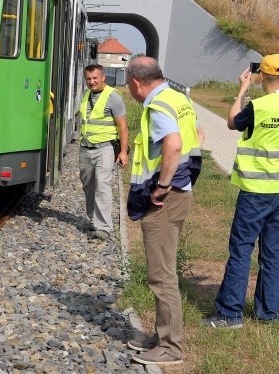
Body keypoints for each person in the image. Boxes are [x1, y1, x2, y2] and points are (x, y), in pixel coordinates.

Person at [124, 56, 202, 366]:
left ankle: (171, 347)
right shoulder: (177, 97)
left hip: (165, 201)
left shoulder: (156, 107)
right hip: (182, 194)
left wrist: (163, 186)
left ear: (135, 84)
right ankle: (161, 336)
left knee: (161, 274)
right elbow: (198, 134)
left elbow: (174, 144)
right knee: (163, 270)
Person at [203, 55, 279, 328]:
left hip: (256, 191)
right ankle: (268, 312)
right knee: (273, 254)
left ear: (263, 77)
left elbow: (232, 122)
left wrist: (242, 90)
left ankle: (229, 314)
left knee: (241, 250)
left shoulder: (258, 106)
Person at [78, 64, 129, 240]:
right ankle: (93, 219)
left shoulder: (113, 97)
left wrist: (123, 152)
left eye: (95, 78)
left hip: (105, 148)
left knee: (102, 185)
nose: (92, 82)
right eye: (88, 79)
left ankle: (104, 227)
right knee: (88, 185)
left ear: (103, 77)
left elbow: (122, 126)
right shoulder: (86, 95)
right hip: (85, 148)